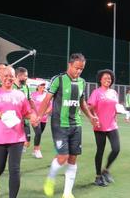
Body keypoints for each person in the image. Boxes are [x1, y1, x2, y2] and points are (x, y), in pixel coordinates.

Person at [38, 53, 99, 198]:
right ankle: (50, 179)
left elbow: (82, 101)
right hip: (60, 125)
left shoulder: (82, 82)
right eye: (77, 68)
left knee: (73, 158)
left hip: (76, 125)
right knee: (63, 156)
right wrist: (39, 116)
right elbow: (47, 99)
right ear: (69, 65)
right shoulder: (58, 79)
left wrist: (90, 117)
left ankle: (67, 192)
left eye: (81, 69)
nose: (79, 71)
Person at [0, 66, 37, 198]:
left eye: (11, 76)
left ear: (15, 78)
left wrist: (32, 116)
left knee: (15, 170)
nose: (8, 78)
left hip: (17, 137)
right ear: (0, 77)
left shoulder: (20, 95)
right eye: (5, 76)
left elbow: (27, 113)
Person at [88, 69, 122, 187]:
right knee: (100, 151)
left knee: (116, 149)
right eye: (105, 78)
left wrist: (118, 117)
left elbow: (115, 108)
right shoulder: (96, 92)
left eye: (110, 78)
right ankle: (98, 177)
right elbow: (89, 107)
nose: (108, 79)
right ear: (100, 80)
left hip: (112, 126)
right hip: (99, 126)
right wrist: (93, 118)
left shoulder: (114, 93)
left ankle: (105, 170)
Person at [13, 67, 34, 152]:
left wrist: (35, 113)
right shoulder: (11, 87)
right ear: (18, 76)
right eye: (25, 76)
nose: (26, 78)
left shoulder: (26, 87)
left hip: (25, 119)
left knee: (27, 142)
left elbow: (29, 100)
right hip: (14, 119)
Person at [30, 80, 52, 158]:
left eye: (44, 85)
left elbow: (50, 106)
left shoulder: (47, 95)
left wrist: (45, 112)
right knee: (38, 133)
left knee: (38, 134)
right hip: (35, 117)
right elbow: (30, 105)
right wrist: (32, 115)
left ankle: (34, 149)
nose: (43, 87)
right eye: (41, 85)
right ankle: (37, 150)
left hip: (44, 118)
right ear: (37, 87)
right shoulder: (33, 95)